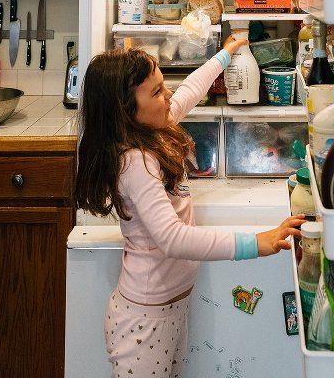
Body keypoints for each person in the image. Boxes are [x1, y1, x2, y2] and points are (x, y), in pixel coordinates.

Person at [75, 37, 305, 378]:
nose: (167, 95)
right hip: (144, 319)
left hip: (170, 307)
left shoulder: (155, 128)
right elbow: (173, 239)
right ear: (125, 111)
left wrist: (225, 55)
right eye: (155, 92)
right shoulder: (136, 161)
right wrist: (255, 243)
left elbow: (188, 91)